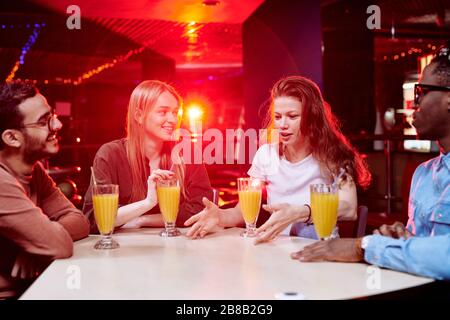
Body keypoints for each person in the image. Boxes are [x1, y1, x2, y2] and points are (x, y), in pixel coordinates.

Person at [292, 42, 450, 280]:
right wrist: (401, 238)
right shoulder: (424, 173)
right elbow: (422, 246)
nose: (414, 104)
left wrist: (363, 246)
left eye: (422, 92)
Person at [185, 76, 371, 242]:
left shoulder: (334, 156)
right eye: (278, 117)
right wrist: (220, 216)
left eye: (292, 116)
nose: (282, 125)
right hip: (278, 247)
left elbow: (349, 208)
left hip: (317, 247)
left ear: (312, 116)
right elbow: (242, 211)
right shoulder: (266, 154)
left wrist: (300, 212)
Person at [83, 80, 213, 232]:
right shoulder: (110, 154)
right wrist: (147, 203)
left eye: (175, 112)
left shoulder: (187, 152)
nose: (172, 119)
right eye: (163, 112)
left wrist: (143, 220)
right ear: (139, 115)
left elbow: (201, 209)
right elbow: (93, 218)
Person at [0, 80, 90, 298]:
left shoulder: (35, 171)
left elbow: (80, 221)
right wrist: (44, 240)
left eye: (52, 116)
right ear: (12, 137)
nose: (57, 126)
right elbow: (60, 245)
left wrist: (35, 243)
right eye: (43, 122)